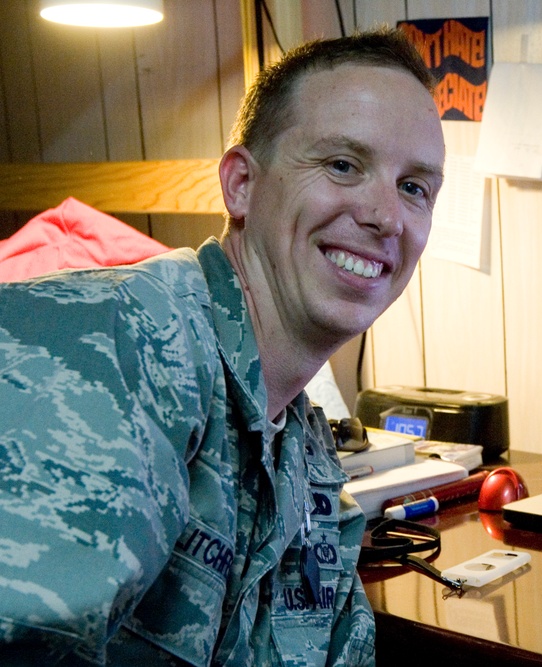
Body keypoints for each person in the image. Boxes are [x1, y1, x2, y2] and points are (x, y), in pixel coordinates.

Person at [0, 27, 445, 666]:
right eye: (343, 165)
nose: (386, 216)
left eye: (414, 188)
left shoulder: (308, 462)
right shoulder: (124, 344)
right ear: (240, 184)